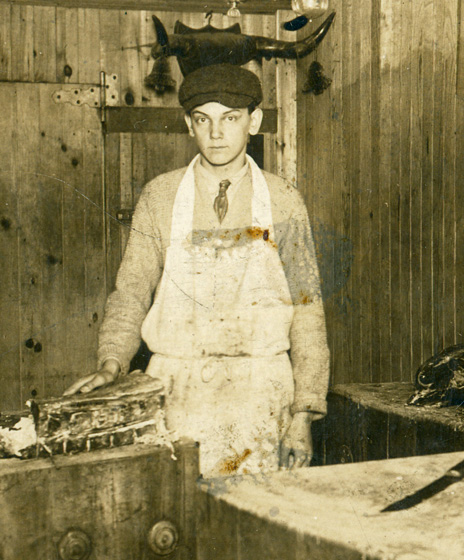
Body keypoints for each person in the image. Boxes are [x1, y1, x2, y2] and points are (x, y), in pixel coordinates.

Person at [65, 63, 329, 477]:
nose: (216, 133)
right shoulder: (160, 196)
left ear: (253, 122)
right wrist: (111, 363)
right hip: (178, 389)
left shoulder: (283, 200)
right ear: (189, 125)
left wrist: (304, 413)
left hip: (261, 392)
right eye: (204, 119)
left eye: (230, 118)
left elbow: (307, 309)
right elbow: (131, 291)